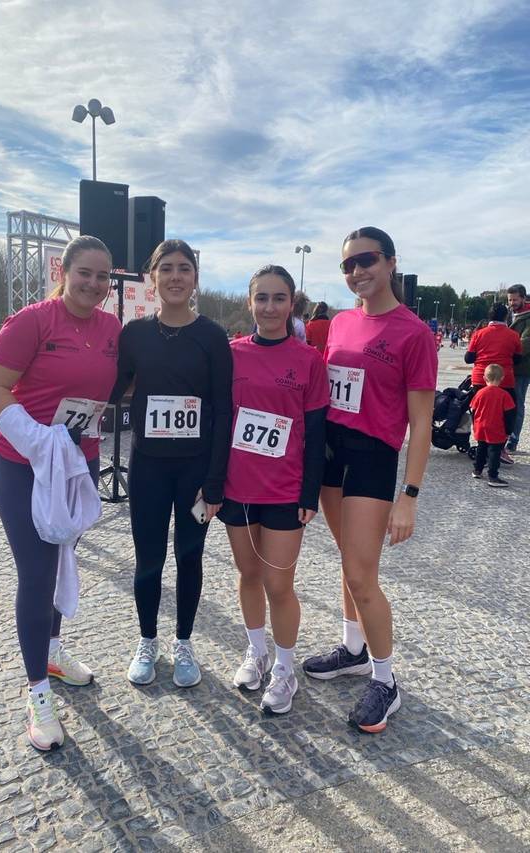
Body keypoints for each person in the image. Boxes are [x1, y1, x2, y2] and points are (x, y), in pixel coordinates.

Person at [0, 235, 121, 751]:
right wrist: (38, 439)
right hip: (25, 463)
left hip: (78, 461)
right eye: (84, 272)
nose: (93, 284)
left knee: (64, 557)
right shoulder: (32, 321)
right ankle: (36, 691)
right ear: (63, 271)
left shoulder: (111, 328)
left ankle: (53, 652)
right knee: (37, 573)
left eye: (102, 276)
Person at [302, 226, 438, 733]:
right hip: (332, 457)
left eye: (367, 260)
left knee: (362, 574)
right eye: (348, 265)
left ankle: (386, 680)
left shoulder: (413, 332)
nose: (357, 271)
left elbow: (421, 423)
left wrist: (410, 496)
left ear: (391, 262)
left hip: (372, 459)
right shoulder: (338, 323)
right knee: (348, 561)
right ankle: (353, 649)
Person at [110, 239, 232, 689]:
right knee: (148, 560)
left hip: (195, 470)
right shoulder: (135, 334)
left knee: (189, 556)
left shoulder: (213, 337)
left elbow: (223, 411)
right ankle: (147, 640)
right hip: (149, 466)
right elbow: (111, 388)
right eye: (167, 269)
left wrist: (215, 480)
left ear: (195, 278)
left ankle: (184, 642)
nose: (176, 277)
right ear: (153, 277)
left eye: (185, 268)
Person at [217, 265, 329, 715]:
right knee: (247, 575)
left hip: (284, 489)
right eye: (261, 298)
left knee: (279, 583)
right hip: (237, 486)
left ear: (291, 303)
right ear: (250, 303)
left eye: (278, 298)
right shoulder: (231, 354)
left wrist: (310, 494)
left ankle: (285, 669)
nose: (269, 306)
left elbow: (318, 433)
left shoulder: (308, 359)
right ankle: (256, 650)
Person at [465, 302, 521, 464]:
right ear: (506, 316)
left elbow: (468, 358)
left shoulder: (479, 334)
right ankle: (499, 447)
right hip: (505, 380)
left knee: (480, 412)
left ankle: (482, 444)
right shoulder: (513, 335)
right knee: (507, 414)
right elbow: (517, 358)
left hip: (481, 379)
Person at [470, 364, 515, 488]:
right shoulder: (504, 395)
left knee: (481, 448)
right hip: (496, 427)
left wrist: (475, 425)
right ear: (502, 378)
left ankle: (477, 470)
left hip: (480, 426)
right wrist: (509, 430)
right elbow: (509, 415)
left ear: (484, 378)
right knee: (494, 452)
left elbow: (473, 410)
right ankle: (493, 476)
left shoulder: (479, 393)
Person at [506, 284, 530, 452]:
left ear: (523, 298)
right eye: (510, 300)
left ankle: (513, 438)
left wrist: (502, 348)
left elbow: (525, 344)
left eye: (515, 299)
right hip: (505, 366)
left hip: (521, 369)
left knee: (517, 402)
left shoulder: (528, 318)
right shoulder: (509, 314)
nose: (512, 303)